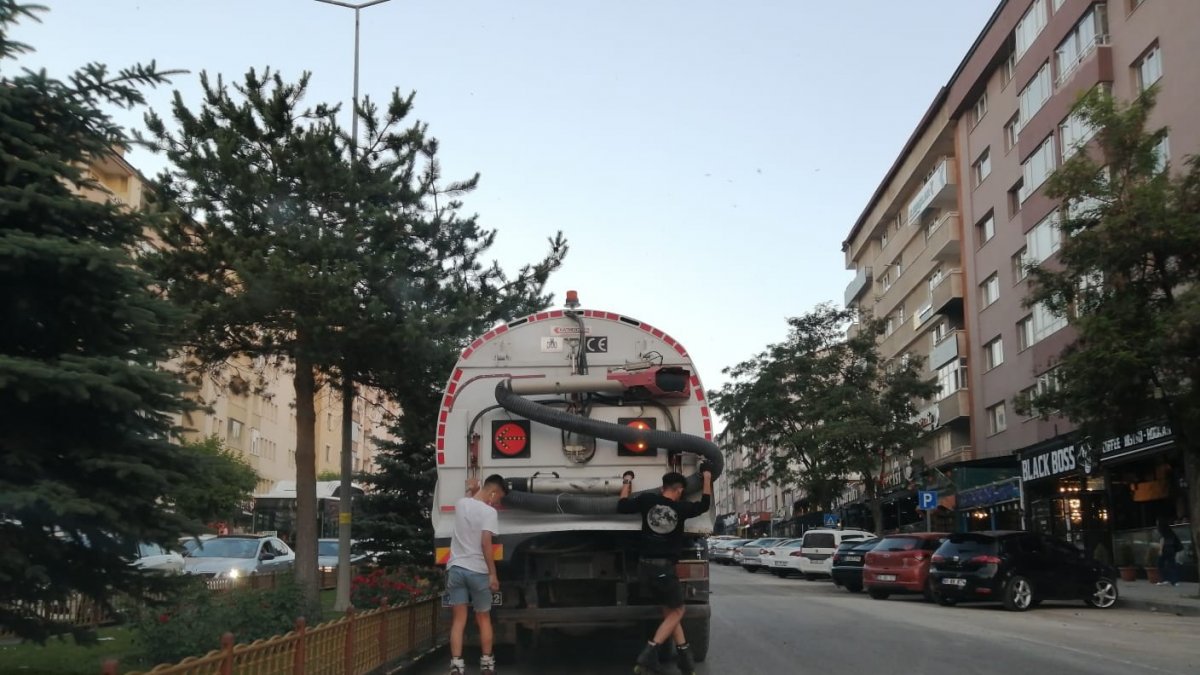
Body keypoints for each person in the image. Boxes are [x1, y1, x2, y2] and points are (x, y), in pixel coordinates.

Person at [617, 465, 713, 675]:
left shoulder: (647, 501)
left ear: (663, 487)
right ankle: (649, 654)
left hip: (644, 567)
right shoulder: (681, 509)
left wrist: (627, 480)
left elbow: (622, 505)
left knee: (669, 610)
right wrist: (706, 477)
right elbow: (705, 504)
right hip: (664, 569)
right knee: (679, 610)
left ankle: (685, 661)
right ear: (679, 491)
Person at [446, 474, 507, 675]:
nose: (496, 502)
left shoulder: (461, 503)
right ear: (493, 492)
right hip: (478, 571)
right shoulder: (489, 513)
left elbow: (470, 502)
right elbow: (485, 544)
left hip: (455, 569)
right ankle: (487, 665)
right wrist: (493, 574)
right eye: (497, 498)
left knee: (458, 620)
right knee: (483, 618)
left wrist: (472, 489)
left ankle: (456, 666)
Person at [1156, 516, 1182, 586]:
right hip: (1171, 549)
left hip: (1165, 549)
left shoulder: (1161, 529)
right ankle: (1174, 581)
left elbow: (1162, 539)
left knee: (1160, 564)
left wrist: (1160, 550)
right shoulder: (1169, 530)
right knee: (1172, 565)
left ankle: (1164, 579)